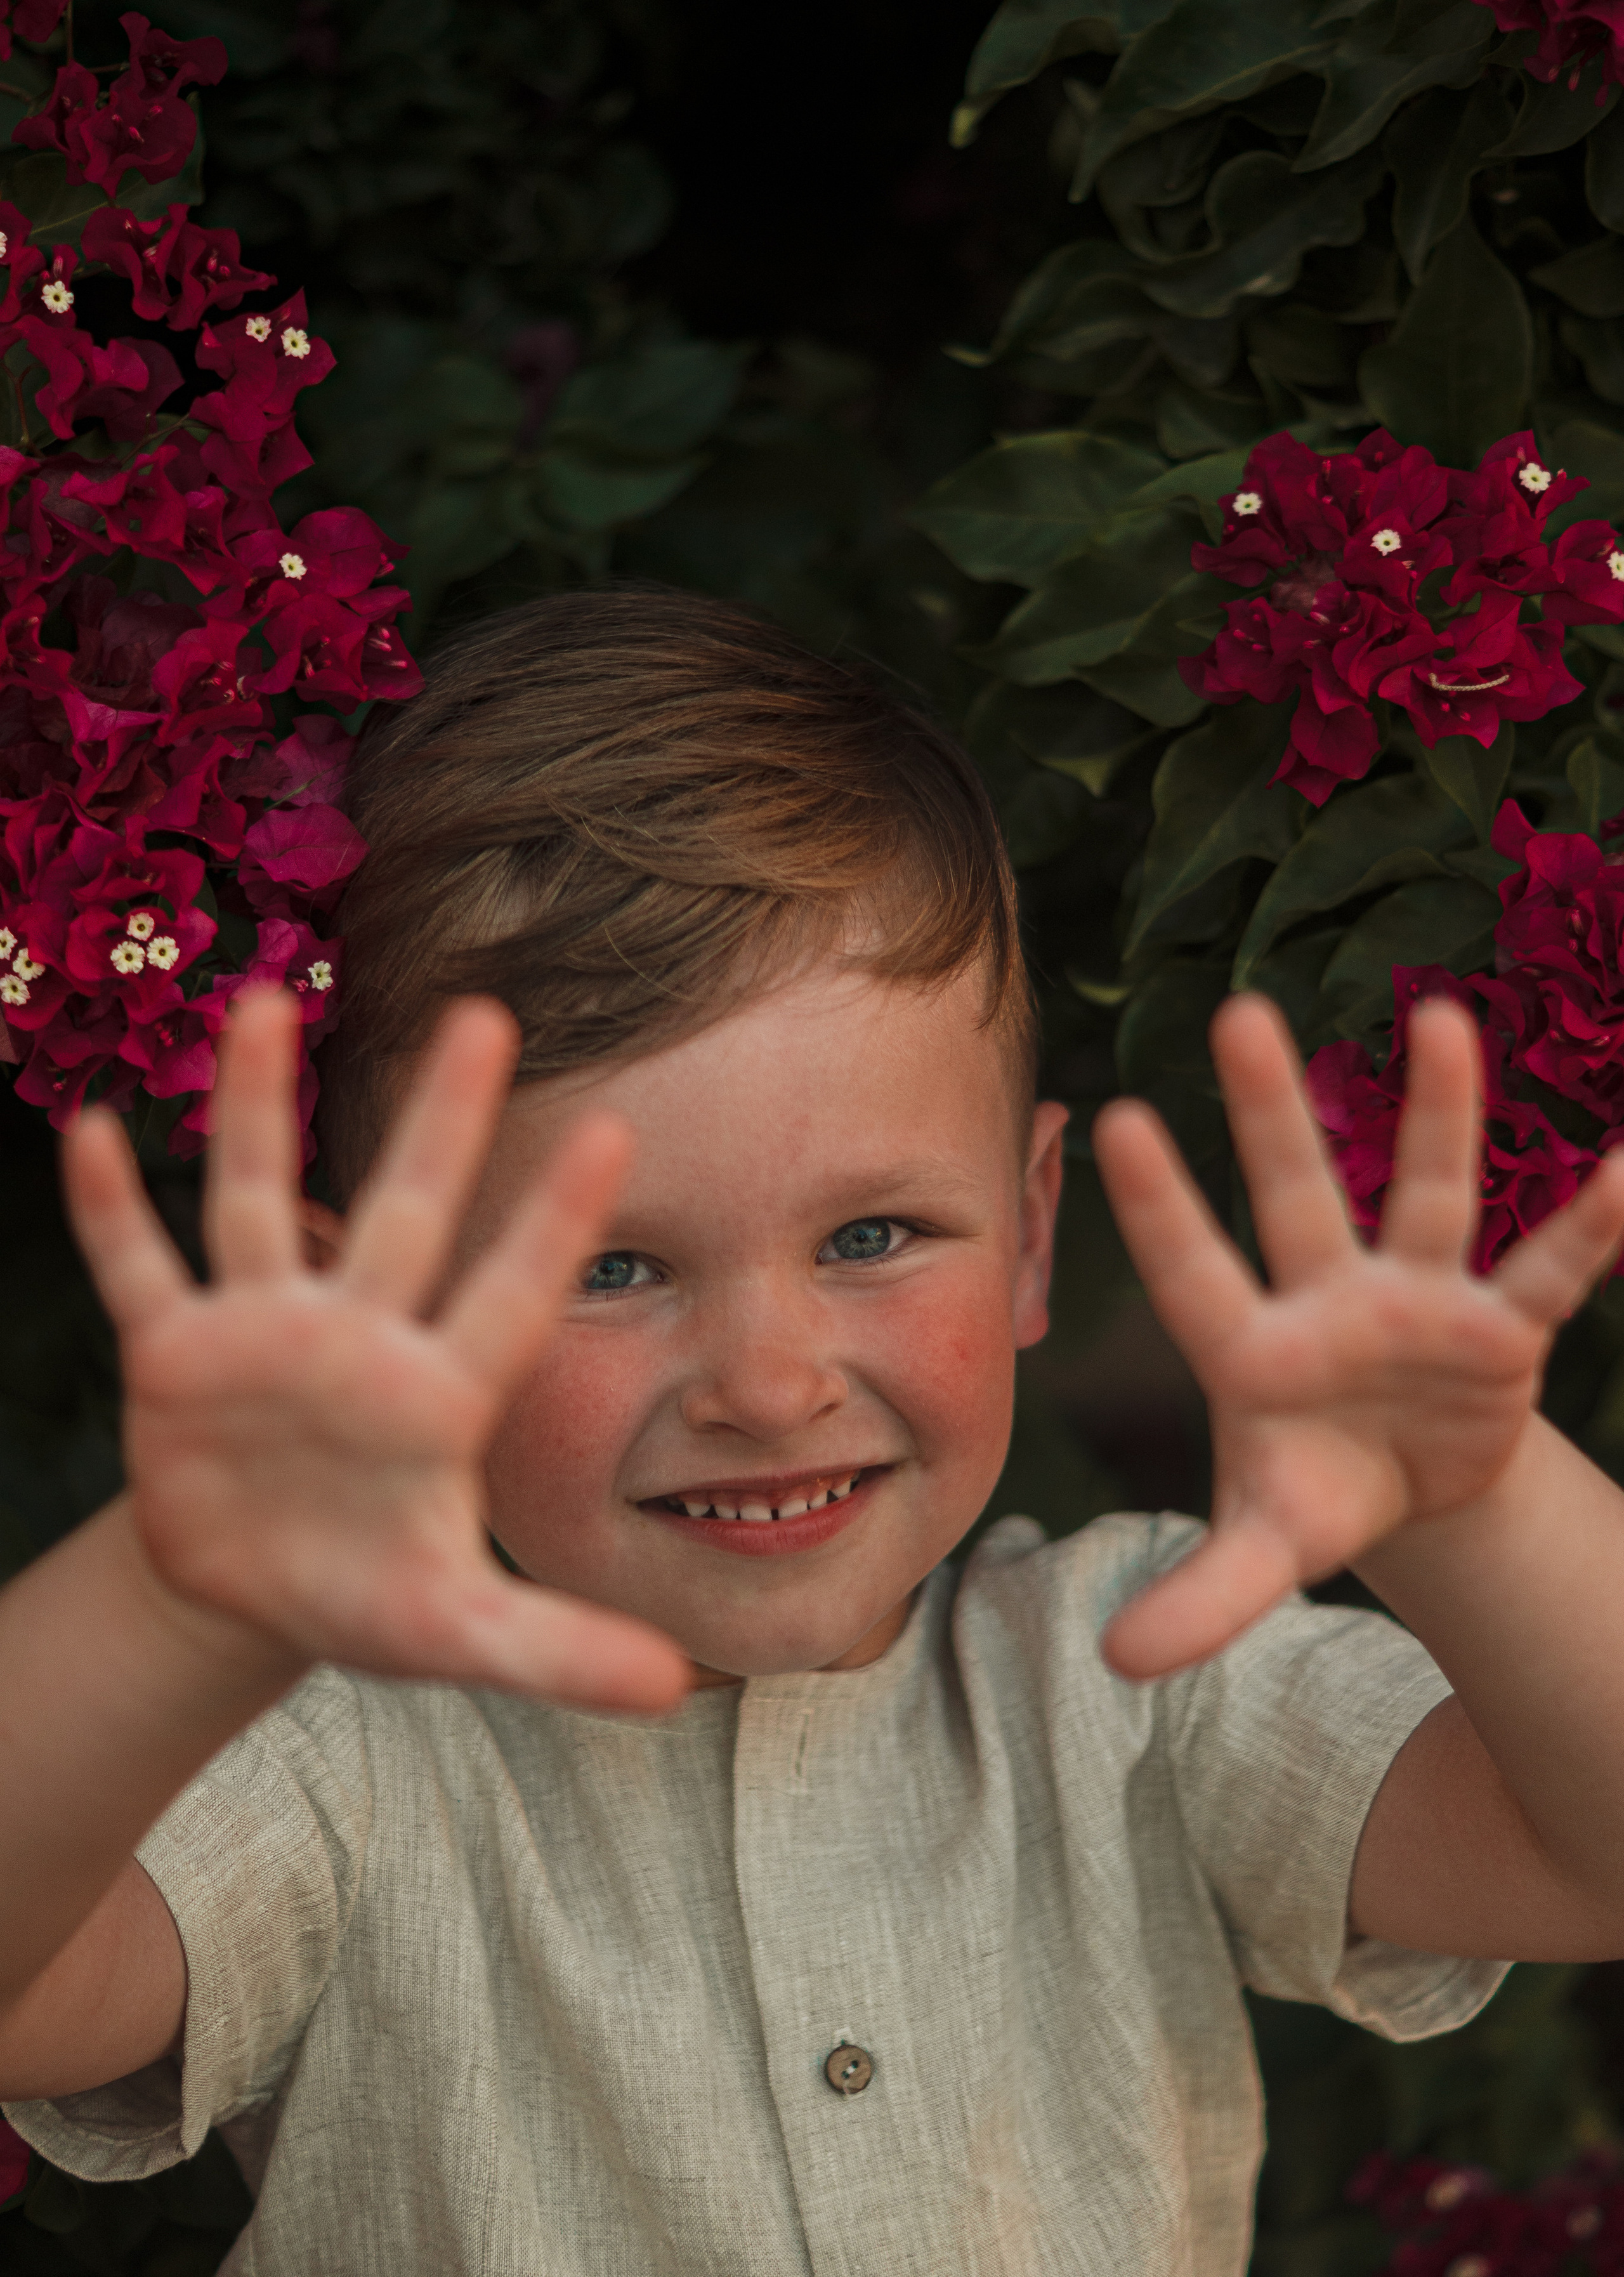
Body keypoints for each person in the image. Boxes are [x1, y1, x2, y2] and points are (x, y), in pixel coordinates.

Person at [3, 585, 1624, 2277]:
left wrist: (1476, 1499)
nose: (768, 1387)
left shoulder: (1137, 1685)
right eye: (611, 1266)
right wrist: (173, 1602)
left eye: (869, 1240)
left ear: (1031, 1231)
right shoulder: (353, 1764)